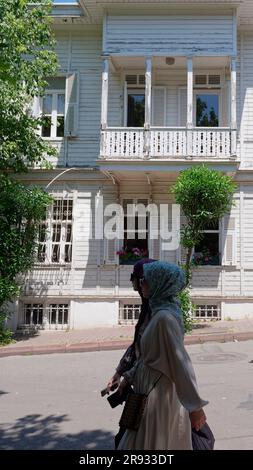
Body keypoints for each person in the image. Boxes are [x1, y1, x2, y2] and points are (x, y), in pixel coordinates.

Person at [117, 261, 208, 450]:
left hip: (158, 397)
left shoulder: (164, 319)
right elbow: (148, 356)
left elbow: (180, 364)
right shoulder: (158, 313)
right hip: (148, 392)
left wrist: (195, 407)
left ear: (160, 283)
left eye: (145, 281)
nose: (141, 285)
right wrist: (129, 375)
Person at [106, 258, 155, 448]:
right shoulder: (147, 308)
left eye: (137, 281)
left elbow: (151, 354)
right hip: (141, 385)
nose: (135, 287)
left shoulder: (159, 314)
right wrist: (119, 373)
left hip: (152, 389)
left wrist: (126, 376)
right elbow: (136, 345)